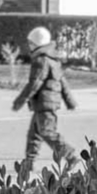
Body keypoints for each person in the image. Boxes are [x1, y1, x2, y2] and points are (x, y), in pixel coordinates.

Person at [12, 26, 78, 167]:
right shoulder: (52, 59)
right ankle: (29, 162)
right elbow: (62, 81)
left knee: (47, 132)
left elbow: (34, 84)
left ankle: (70, 155)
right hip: (44, 103)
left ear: (37, 44)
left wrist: (20, 101)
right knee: (34, 134)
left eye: (31, 43)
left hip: (45, 103)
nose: (29, 46)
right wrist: (70, 101)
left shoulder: (40, 61)